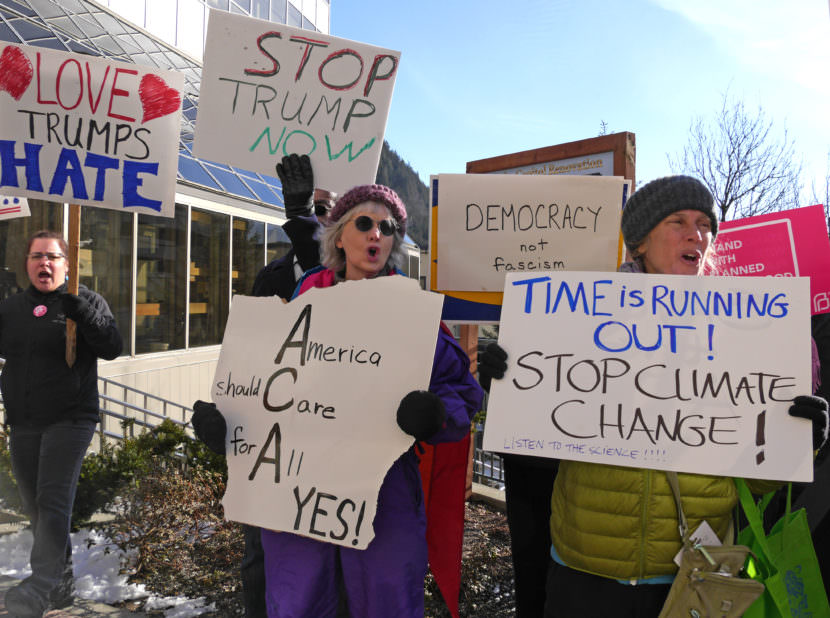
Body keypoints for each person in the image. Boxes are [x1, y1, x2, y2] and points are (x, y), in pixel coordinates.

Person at [478, 175, 829, 617]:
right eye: (678, 220)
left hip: (693, 577)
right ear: (640, 241)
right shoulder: (578, 317)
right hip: (586, 572)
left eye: (704, 224)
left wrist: (796, 437)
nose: (695, 234)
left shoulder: (744, 334)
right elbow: (538, 441)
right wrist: (508, 384)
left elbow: (755, 480)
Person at [195, 184, 483, 617]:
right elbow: (264, 389)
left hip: (383, 500)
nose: (376, 235)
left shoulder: (412, 313)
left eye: (388, 228)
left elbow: (460, 392)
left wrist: (435, 415)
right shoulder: (302, 301)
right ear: (339, 235)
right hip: (297, 498)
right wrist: (227, 424)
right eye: (364, 223)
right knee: (300, 601)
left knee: (386, 603)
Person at [193, 153, 335, 618]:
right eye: (309, 210)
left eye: (324, 212)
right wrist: (223, 418)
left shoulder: (364, 286)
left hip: (329, 455)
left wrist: (299, 217)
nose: (316, 220)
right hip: (268, 450)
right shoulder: (270, 277)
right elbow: (245, 360)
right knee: (260, 563)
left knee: (325, 569)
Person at [1, 230, 123, 618]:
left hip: (70, 418)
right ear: (27, 264)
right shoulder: (13, 308)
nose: (44, 263)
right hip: (24, 421)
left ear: (68, 265)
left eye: (53, 257)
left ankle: (39, 589)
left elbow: (112, 347)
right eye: (37, 257)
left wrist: (82, 314)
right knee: (37, 508)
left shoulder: (86, 301)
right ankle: (62, 586)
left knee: (53, 501)